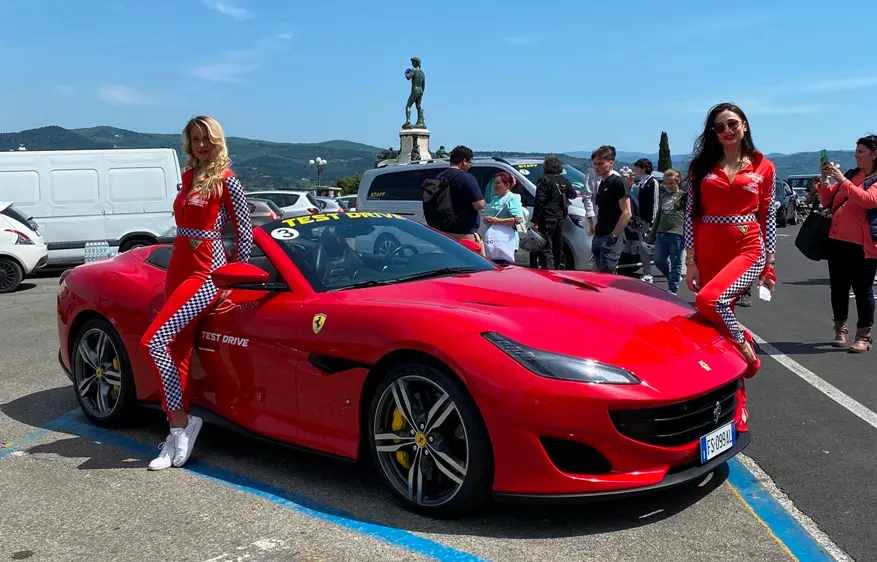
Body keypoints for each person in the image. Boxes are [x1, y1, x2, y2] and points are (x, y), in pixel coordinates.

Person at [141, 116, 253, 471]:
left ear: (216, 140)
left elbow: (244, 234)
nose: (200, 145)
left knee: (154, 342)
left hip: (206, 273)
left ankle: (181, 427)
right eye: (194, 139)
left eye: (206, 138)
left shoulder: (227, 181)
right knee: (176, 349)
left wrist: (233, 279)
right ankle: (177, 430)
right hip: (178, 269)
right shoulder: (188, 177)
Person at [683, 103, 777, 378]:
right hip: (707, 248)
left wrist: (770, 262)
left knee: (711, 301)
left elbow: (767, 215)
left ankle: (746, 348)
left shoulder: (763, 166)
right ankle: (737, 406)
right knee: (712, 326)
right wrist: (691, 261)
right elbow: (691, 214)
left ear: (744, 125)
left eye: (732, 123)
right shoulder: (701, 167)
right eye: (720, 126)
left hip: (747, 248)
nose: (727, 130)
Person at [817, 134, 877, 352]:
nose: (856, 155)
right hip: (837, 242)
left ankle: (864, 336)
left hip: (863, 245)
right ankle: (840, 331)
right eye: (856, 151)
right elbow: (827, 200)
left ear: (874, 154)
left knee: (863, 290)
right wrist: (825, 180)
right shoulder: (852, 174)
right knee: (838, 289)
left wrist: (843, 180)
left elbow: (869, 200)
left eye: (861, 151)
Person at [433, 145, 486, 252]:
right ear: (464, 161)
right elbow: (479, 205)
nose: (470, 165)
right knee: (477, 266)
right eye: (470, 162)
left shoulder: (439, 177)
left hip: (442, 232)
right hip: (464, 233)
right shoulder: (466, 177)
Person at [591, 145, 632, 273]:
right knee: (598, 275)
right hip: (599, 234)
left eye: (601, 164)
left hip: (611, 235)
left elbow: (627, 212)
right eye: (595, 164)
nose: (597, 167)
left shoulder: (617, 182)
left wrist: (614, 236)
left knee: (607, 275)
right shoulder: (603, 183)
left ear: (610, 163)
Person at [532, 155, 576, 269]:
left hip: (546, 217)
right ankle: (556, 268)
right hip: (560, 217)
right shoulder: (565, 181)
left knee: (545, 245)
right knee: (557, 246)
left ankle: (548, 269)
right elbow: (573, 194)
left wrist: (535, 220)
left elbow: (539, 201)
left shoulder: (544, 180)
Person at [650, 168, 686, 294]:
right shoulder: (664, 196)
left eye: (671, 183)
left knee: (676, 262)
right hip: (661, 232)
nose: (668, 186)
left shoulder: (684, 196)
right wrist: (652, 235)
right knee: (658, 261)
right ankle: (673, 278)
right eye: (666, 183)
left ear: (678, 181)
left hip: (677, 233)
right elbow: (659, 215)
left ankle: (673, 288)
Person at [483, 171, 525, 263]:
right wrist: (487, 219)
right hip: (493, 239)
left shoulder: (512, 198)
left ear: (507, 185)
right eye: (494, 183)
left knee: (503, 267)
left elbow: (518, 219)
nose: (495, 186)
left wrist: (497, 221)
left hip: (505, 240)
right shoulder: (495, 198)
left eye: (498, 183)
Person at [632, 158, 660, 282]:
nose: (635, 169)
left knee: (653, 247)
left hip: (649, 221)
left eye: (637, 167)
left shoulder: (652, 182)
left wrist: (652, 222)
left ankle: (671, 270)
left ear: (643, 168)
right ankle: (647, 272)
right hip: (641, 220)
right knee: (644, 248)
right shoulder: (642, 183)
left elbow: (655, 202)